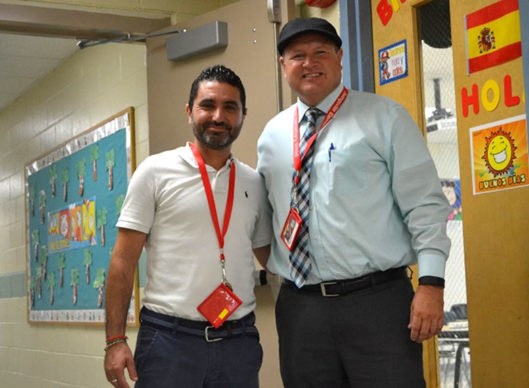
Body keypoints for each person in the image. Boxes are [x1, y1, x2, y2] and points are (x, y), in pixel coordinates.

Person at [257, 18, 451, 387]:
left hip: (376, 303)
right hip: (302, 309)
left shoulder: (384, 117)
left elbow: (425, 205)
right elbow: (265, 216)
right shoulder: (272, 136)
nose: (308, 63)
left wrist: (431, 285)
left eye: (320, 53)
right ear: (283, 65)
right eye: (297, 55)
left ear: (340, 58)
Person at [104, 65, 271, 388]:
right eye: (207, 105)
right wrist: (115, 339)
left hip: (238, 342)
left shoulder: (253, 182)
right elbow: (122, 261)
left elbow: (270, 257)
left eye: (230, 107)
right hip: (169, 342)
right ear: (189, 111)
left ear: (243, 115)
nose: (218, 116)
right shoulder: (155, 172)